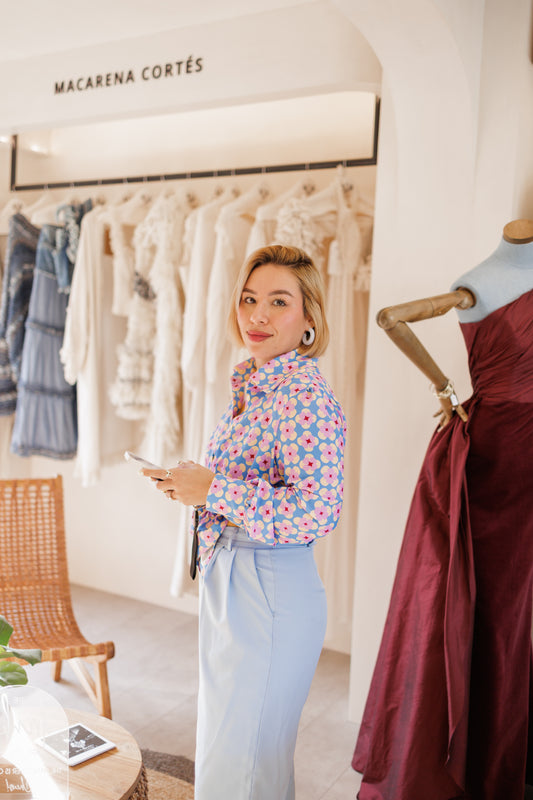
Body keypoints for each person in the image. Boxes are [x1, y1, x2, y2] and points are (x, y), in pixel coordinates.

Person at [142, 244, 346, 800]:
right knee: (236, 749)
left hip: (269, 586)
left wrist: (214, 489)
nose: (257, 315)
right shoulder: (253, 388)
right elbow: (243, 487)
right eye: (249, 298)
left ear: (309, 318)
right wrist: (194, 486)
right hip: (233, 577)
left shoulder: (303, 396)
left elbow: (319, 508)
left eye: (278, 302)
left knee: (244, 757)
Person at [352, 219, 533, 800]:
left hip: (519, 453)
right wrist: (444, 387)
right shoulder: (483, 280)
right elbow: (391, 318)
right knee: (474, 609)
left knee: (514, 617)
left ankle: (500, 761)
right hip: (494, 458)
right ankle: (453, 763)